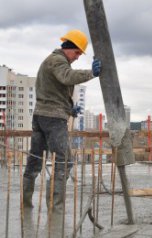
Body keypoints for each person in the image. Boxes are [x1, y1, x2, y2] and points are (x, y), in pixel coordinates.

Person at [22, 29, 101, 212]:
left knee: (34, 160)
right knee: (64, 161)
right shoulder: (57, 61)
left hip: (42, 116)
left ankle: (25, 205)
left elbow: (54, 93)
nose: (78, 57)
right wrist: (92, 73)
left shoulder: (53, 61)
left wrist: (69, 108)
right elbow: (67, 77)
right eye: (77, 53)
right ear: (68, 48)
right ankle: (55, 208)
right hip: (52, 119)